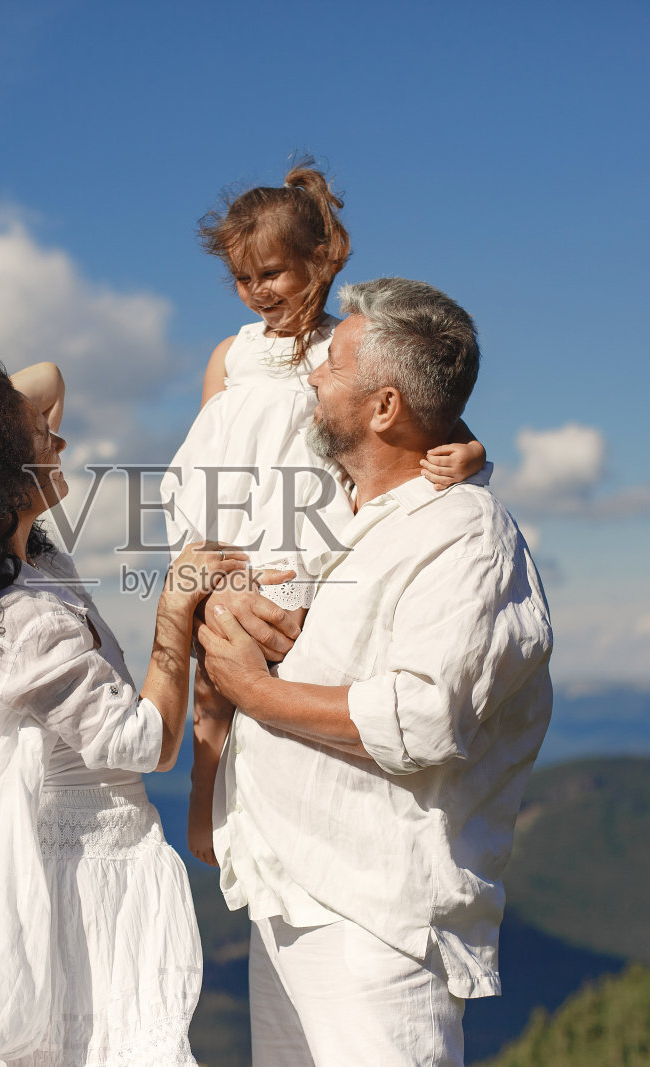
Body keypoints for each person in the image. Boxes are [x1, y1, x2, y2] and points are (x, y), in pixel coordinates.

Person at [197, 278, 555, 1066]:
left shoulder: (463, 535)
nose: (314, 375)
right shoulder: (346, 513)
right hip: (290, 897)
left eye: (333, 364)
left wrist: (254, 691)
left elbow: (423, 717)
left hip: (376, 923)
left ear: (385, 407)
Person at [0, 351, 240, 1067]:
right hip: (64, 894)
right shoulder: (21, 618)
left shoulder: (19, 573)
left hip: (55, 870)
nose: (58, 437)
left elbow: (50, 376)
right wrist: (174, 609)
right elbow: (146, 745)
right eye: (39, 435)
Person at [168, 159, 490, 867]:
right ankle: (204, 788)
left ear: (321, 259)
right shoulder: (232, 354)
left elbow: (427, 413)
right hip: (237, 525)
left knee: (291, 657)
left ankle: (281, 804)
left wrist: (468, 450)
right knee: (213, 677)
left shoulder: (346, 346)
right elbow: (207, 453)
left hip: (311, 532)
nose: (257, 293)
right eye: (243, 280)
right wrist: (203, 552)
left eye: (273, 274)